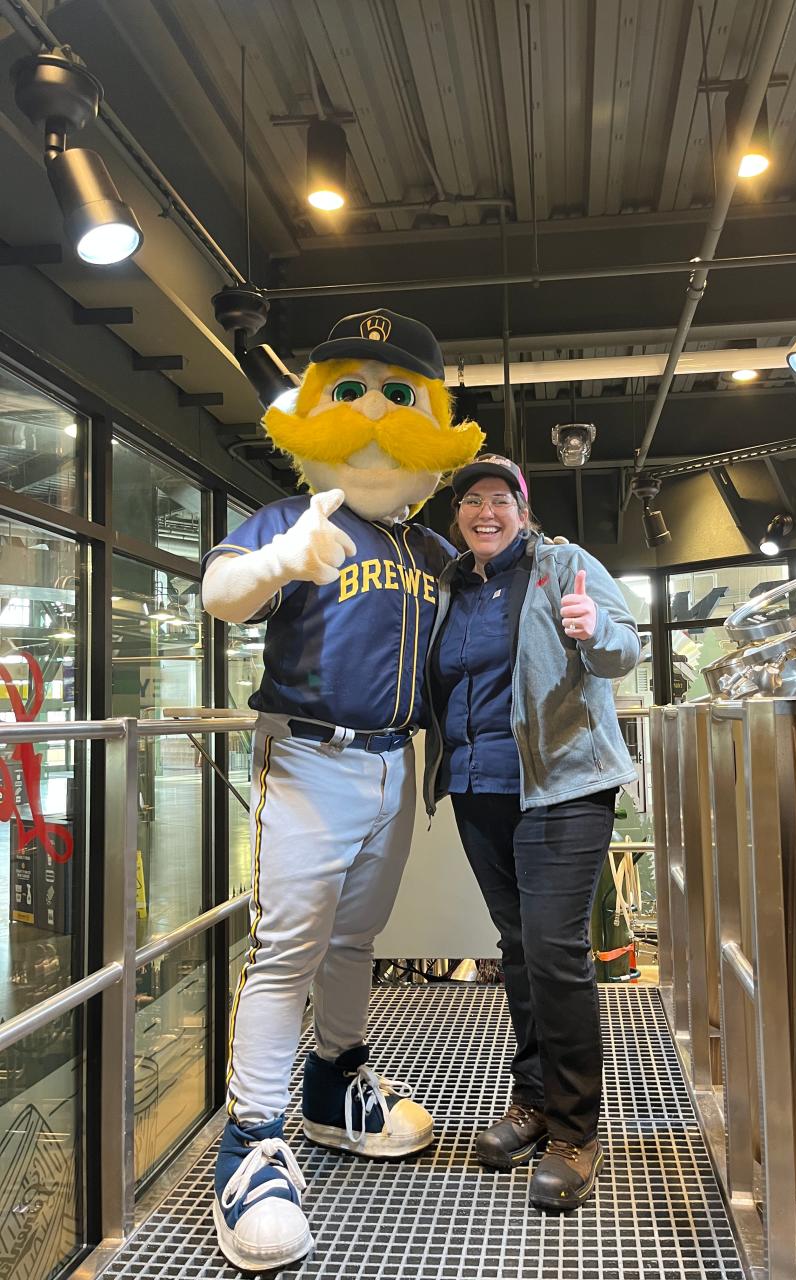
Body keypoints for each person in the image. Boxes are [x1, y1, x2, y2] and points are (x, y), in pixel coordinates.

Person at [201, 308, 483, 1271]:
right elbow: (220, 593)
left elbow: (491, 592)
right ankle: (252, 1140)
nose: (371, 413)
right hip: (309, 759)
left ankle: (333, 1085)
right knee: (286, 948)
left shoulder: (421, 549)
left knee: (354, 939)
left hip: (391, 763)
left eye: (399, 393)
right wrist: (279, 563)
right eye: (352, 391)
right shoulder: (297, 518)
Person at [424, 454, 640, 1212]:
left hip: (563, 786)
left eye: (499, 500)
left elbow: (623, 647)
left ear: (523, 508)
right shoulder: (452, 585)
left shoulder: (563, 566)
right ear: (458, 516)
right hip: (477, 789)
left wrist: (592, 630)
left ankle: (577, 1132)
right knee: (517, 949)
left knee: (554, 952)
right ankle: (536, 1098)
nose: (485, 512)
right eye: (471, 502)